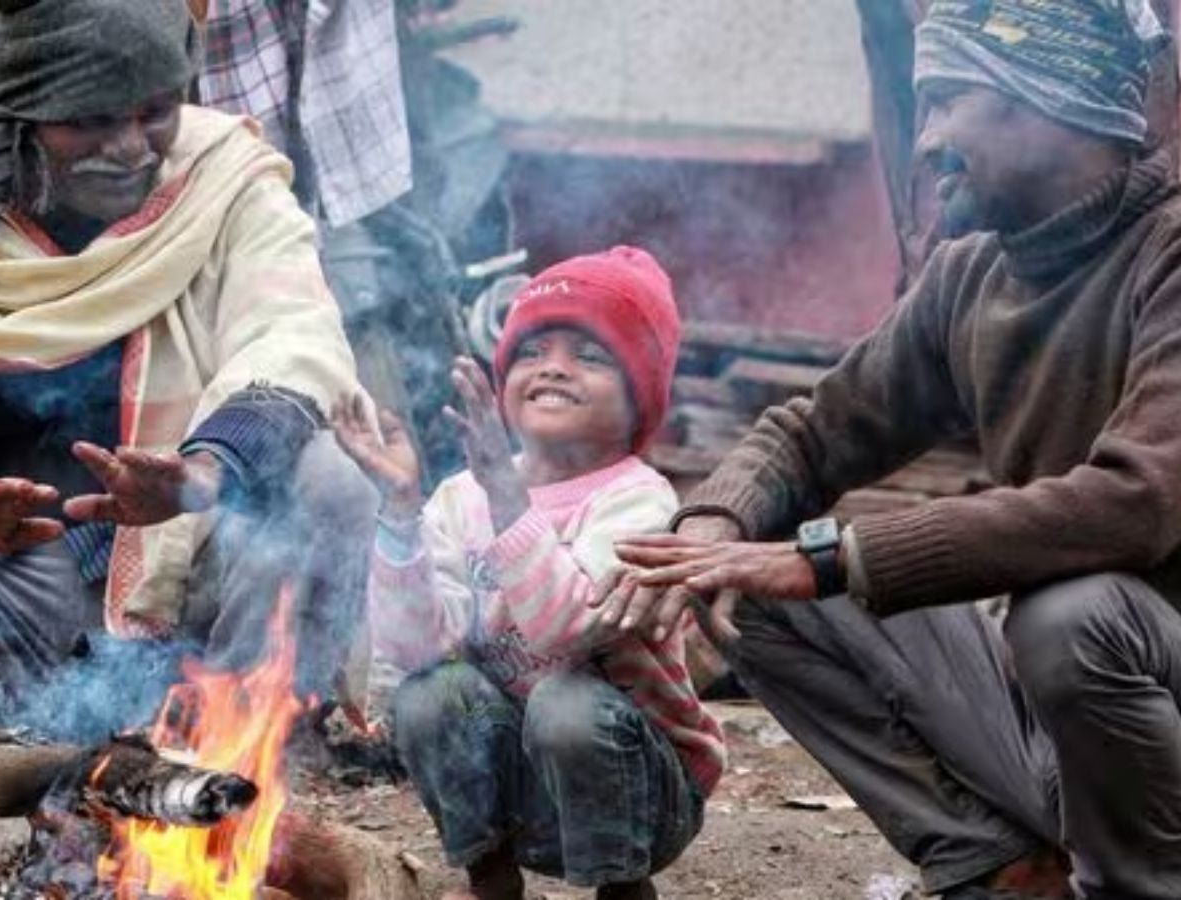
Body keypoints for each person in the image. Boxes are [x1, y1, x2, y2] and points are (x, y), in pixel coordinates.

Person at [604, 2, 1181, 899]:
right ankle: (1005, 870)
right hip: (1070, 731)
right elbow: (813, 432)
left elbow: (1136, 502)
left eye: (950, 100)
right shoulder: (974, 273)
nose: (927, 140)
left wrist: (840, 556)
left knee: (1071, 615)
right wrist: (710, 528)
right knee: (753, 589)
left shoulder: (1170, 253)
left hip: (1155, 706)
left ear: (1052, 104)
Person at [0, 0, 376, 713]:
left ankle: (240, 744)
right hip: (9, 587)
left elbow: (296, 336)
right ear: (18, 118)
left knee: (331, 479)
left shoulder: (226, 179)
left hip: (186, 580)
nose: (132, 147)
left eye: (155, 112)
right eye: (90, 120)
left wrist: (207, 468)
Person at [333, 246, 725, 900]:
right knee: (431, 693)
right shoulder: (463, 496)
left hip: (642, 797)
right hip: (524, 797)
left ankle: (622, 890)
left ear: (639, 399)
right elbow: (415, 649)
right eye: (533, 352)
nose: (554, 370)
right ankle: (491, 877)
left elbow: (565, 632)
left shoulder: (639, 499)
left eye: (591, 356)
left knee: (564, 701)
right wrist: (399, 512)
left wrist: (509, 503)